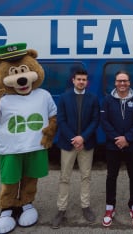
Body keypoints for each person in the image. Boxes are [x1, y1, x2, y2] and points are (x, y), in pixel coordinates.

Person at [52, 69, 100, 228]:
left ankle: (85, 206)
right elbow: (61, 120)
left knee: (86, 177)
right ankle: (61, 209)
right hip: (68, 143)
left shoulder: (93, 98)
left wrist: (83, 137)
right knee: (64, 177)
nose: (81, 82)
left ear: (87, 82)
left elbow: (95, 121)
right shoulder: (64, 97)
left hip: (86, 144)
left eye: (84, 79)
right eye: (79, 79)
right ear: (73, 80)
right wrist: (74, 138)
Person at [100, 70, 133, 228]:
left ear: (129, 83)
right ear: (115, 82)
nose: (122, 84)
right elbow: (104, 121)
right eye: (119, 81)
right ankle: (109, 207)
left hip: (132, 146)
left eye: (125, 81)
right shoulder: (107, 100)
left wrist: (127, 138)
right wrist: (117, 139)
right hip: (112, 146)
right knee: (111, 177)